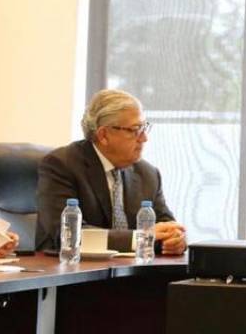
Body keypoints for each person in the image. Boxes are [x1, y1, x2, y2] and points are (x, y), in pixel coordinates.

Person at [35, 89, 186, 254]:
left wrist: (176, 240)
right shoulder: (61, 165)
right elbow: (67, 233)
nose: (144, 138)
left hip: (132, 268)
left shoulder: (148, 174)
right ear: (104, 135)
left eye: (144, 128)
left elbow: (166, 225)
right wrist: (139, 238)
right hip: (71, 266)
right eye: (135, 129)